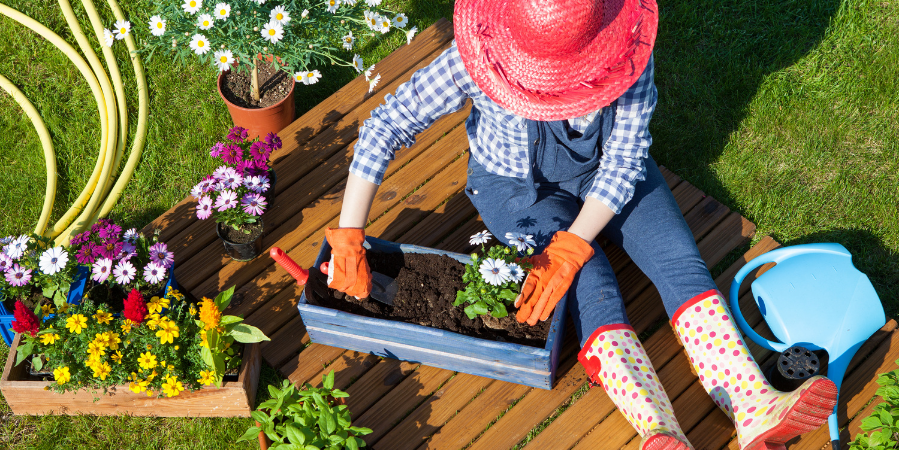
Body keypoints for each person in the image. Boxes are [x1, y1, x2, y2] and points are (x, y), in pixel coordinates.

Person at [323, 0, 838, 448]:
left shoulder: (626, 53)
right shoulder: (475, 57)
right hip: (514, 189)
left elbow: (625, 157)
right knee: (592, 286)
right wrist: (350, 235)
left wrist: (574, 243)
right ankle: (660, 429)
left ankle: (752, 404)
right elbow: (388, 123)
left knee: (677, 259)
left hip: (611, 175)